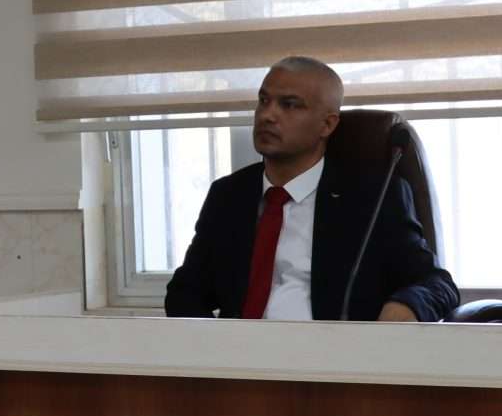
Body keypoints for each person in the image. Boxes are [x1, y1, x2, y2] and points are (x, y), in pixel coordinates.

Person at [165, 56, 459, 322]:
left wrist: (405, 307)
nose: (267, 115)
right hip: (240, 358)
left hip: (331, 356)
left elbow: (437, 284)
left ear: (327, 125)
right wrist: (212, 348)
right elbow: (185, 292)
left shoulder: (372, 197)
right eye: (264, 101)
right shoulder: (229, 195)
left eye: (289, 105)